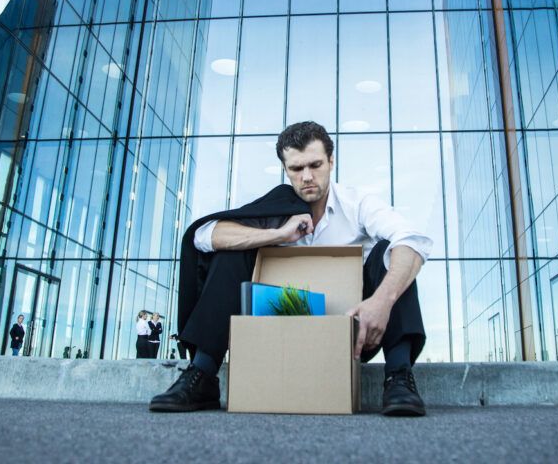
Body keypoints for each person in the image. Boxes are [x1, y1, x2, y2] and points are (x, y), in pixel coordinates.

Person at [149, 121, 432, 417]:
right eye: (296, 168)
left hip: (353, 333)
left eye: (315, 165)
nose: (307, 176)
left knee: (395, 253)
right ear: (285, 169)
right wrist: (277, 234)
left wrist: (381, 303)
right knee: (233, 250)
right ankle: (203, 373)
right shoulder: (277, 207)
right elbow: (203, 236)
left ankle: (399, 376)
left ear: (331, 161)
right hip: (282, 330)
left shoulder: (357, 204)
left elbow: (412, 240)